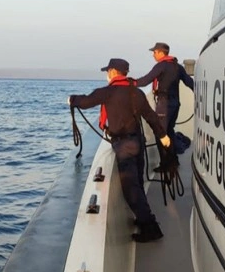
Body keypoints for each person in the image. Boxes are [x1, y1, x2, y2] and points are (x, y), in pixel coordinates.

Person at [68, 58, 170, 242]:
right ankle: (143, 218)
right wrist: (162, 136)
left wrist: (72, 99)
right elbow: (151, 117)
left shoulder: (108, 92)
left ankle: (150, 227)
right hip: (138, 141)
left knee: (131, 189)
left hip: (124, 145)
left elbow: (86, 101)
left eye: (108, 71)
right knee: (137, 183)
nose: (107, 74)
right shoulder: (136, 93)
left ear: (114, 72)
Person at [134, 42, 194, 154]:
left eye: (155, 52)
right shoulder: (178, 67)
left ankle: (165, 165)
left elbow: (145, 80)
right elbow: (190, 83)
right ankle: (173, 161)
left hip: (164, 104)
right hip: (176, 104)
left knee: (160, 133)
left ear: (161, 53)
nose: (153, 55)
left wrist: (129, 83)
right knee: (170, 131)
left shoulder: (161, 66)